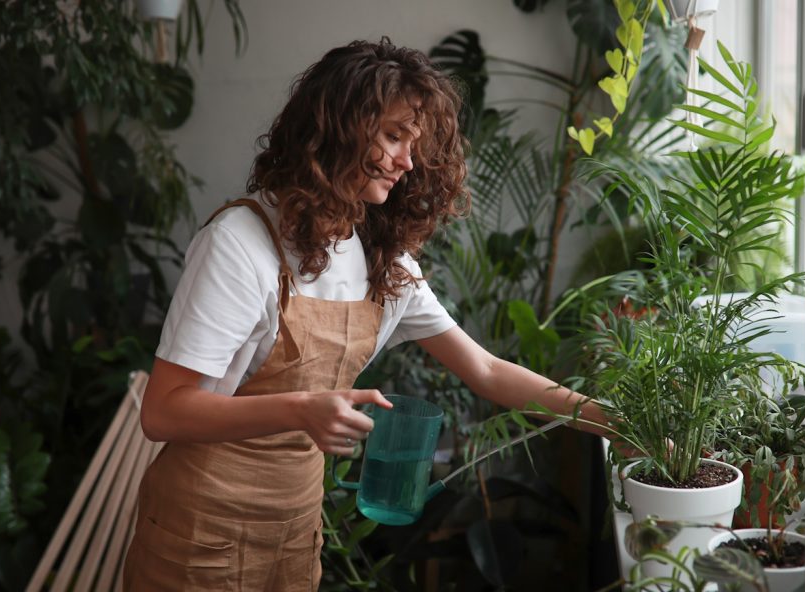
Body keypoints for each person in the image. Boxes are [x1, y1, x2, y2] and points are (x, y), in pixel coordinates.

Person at [123, 37, 617, 592]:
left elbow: (487, 372)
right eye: (393, 136)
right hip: (200, 536)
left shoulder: (380, 259)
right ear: (336, 129)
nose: (408, 162)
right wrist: (304, 409)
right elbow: (163, 413)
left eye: (415, 143)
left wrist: (615, 422)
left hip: (294, 531)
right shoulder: (239, 244)